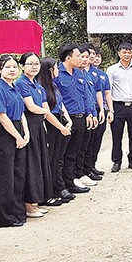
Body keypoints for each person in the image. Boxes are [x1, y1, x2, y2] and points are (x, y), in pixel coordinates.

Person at [0, 55, 29, 228]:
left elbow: (21, 112)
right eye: (7, 67)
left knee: (18, 173)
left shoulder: (15, 87)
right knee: (5, 176)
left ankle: (18, 212)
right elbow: (1, 115)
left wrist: (25, 133)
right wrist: (17, 136)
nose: (12, 70)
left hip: (19, 129)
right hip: (5, 133)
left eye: (14, 67)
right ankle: (5, 217)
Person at [15, 53, 54, 217]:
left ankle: (37, 202)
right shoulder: (21, 83)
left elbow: (45, 107)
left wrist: (46, 113)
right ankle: (29, 206)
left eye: (37, 63)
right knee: (31, 164)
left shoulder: (38, 85)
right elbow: (31, 107)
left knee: (40, 162)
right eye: (30, 63)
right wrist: (46, 112)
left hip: (39, 126)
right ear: (22, 66)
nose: (34, 66)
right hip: (29, 125)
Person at [36, 58, 73, 204]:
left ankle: (59, 187)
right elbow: (46, 112)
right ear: (49, 70)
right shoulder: (41, 87)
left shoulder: (54, 85)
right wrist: (61, 127)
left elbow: (61, 104)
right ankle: (51, 191)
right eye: (56, 67)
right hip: (51, 124)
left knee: (59, 157)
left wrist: (68, 120)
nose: (58, 69)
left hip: (60, 120)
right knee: (51, 158)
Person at [54, 44, 92, 188]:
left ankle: (71, 181)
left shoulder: (79, 73)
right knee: (62, 154)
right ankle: (62, 184)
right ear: (68, 58)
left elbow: (85, 96)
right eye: (77, 56)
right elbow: (56, 97)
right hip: (66, 119)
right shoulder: (57, 74)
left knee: (75, 152)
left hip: (80, 117)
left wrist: (89, 113)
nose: (81, 58)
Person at [106, 42, 132, 172]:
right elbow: (108, 90)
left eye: (129, 52)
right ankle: (116, 161)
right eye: (124, 52)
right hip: (118, 106)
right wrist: (110, 109)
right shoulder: (112, 70)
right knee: (116, 136)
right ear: (119, 53)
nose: (127, 54)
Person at [82, 47, 111, 181]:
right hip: (85, 112)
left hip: (97, 110)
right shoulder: (78, 71)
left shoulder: (97, 73)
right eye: (89, 54)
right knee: (85, 143)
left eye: (93, 54)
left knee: (96, 140)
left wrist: (103, 110)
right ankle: (84, 169)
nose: (92, 57)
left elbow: (101, 92)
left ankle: (91, 165)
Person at [75, 46, 100, 187]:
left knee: (86, 147)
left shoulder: (87, 74)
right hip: (78, 116)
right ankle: (76, 175)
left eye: (86, 57)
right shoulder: (74, 74)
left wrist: (93, 113)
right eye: (82, 56)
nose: (85, 60)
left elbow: (90, 97)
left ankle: (83, 172)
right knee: (76, 149)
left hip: (89, 114)